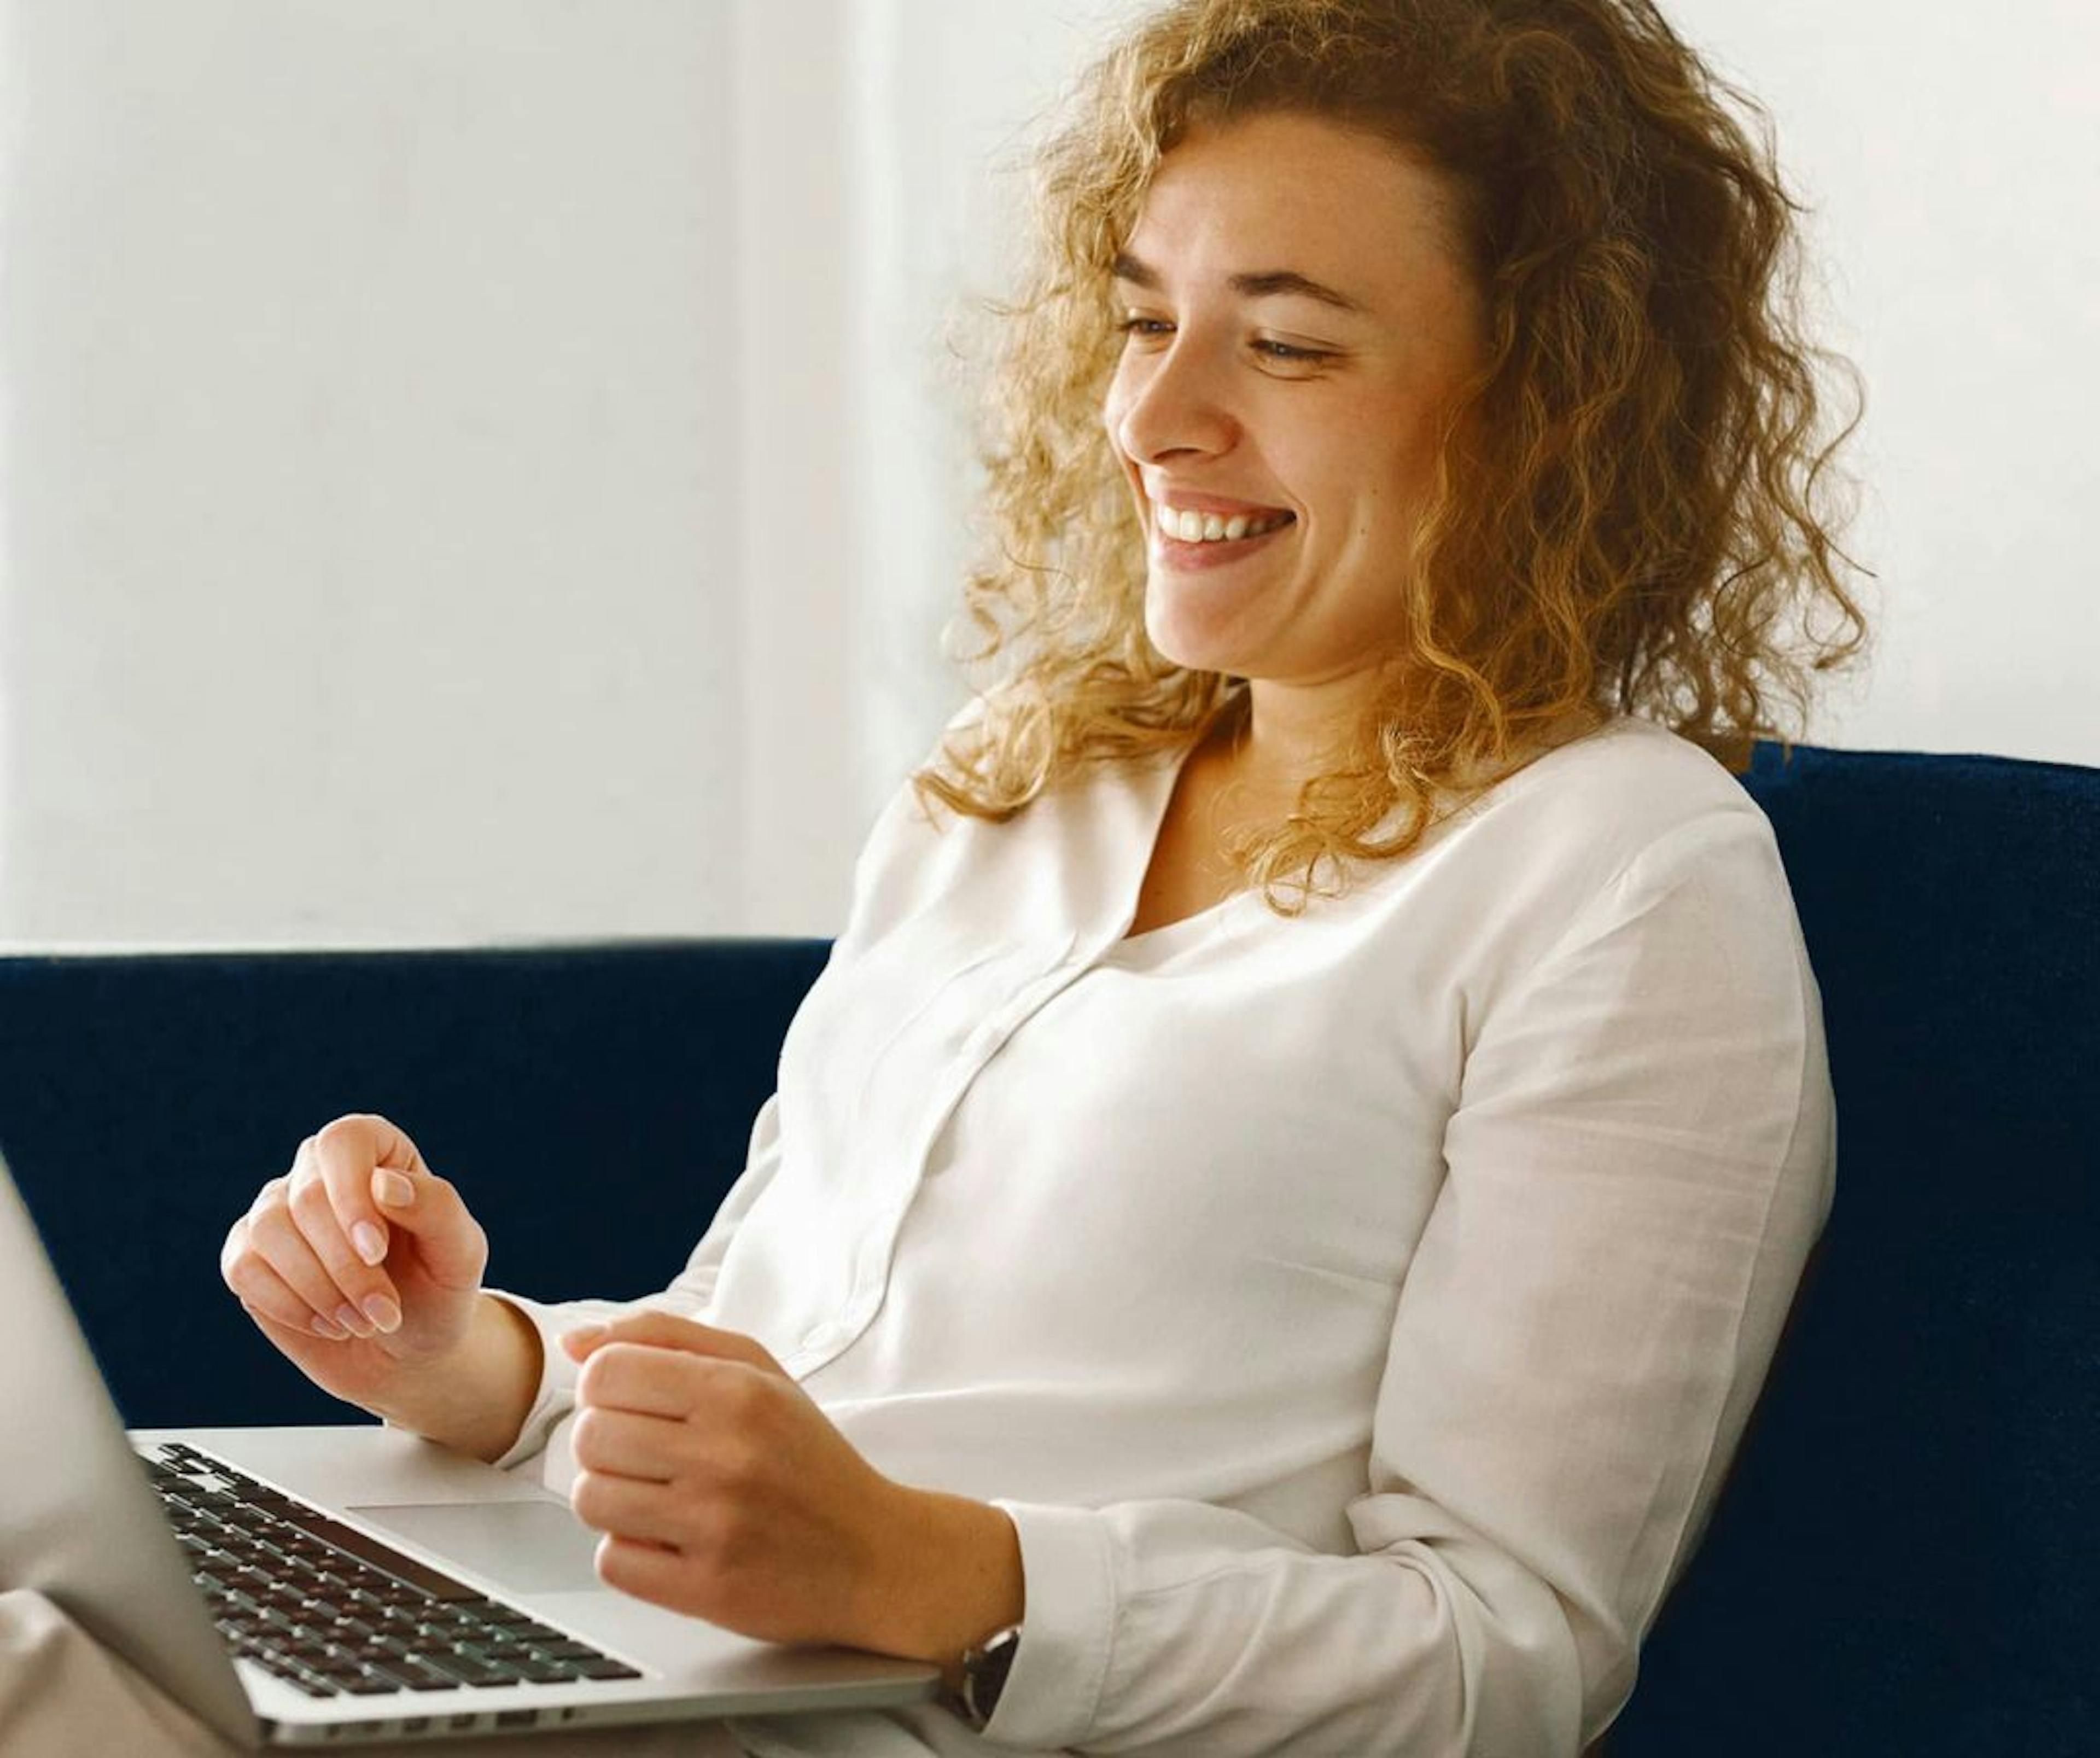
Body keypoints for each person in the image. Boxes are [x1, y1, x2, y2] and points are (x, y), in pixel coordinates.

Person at [27, 0, 1872, 1752]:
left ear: (1551, 411)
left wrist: (936, 1572)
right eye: (1146, 321)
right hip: (646, 1664)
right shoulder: (1024, 783)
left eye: (1289, 342)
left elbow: (1506, 1665)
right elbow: (776, 1369)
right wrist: (480, 1368)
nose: (1158, 418)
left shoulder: (1620, 878)